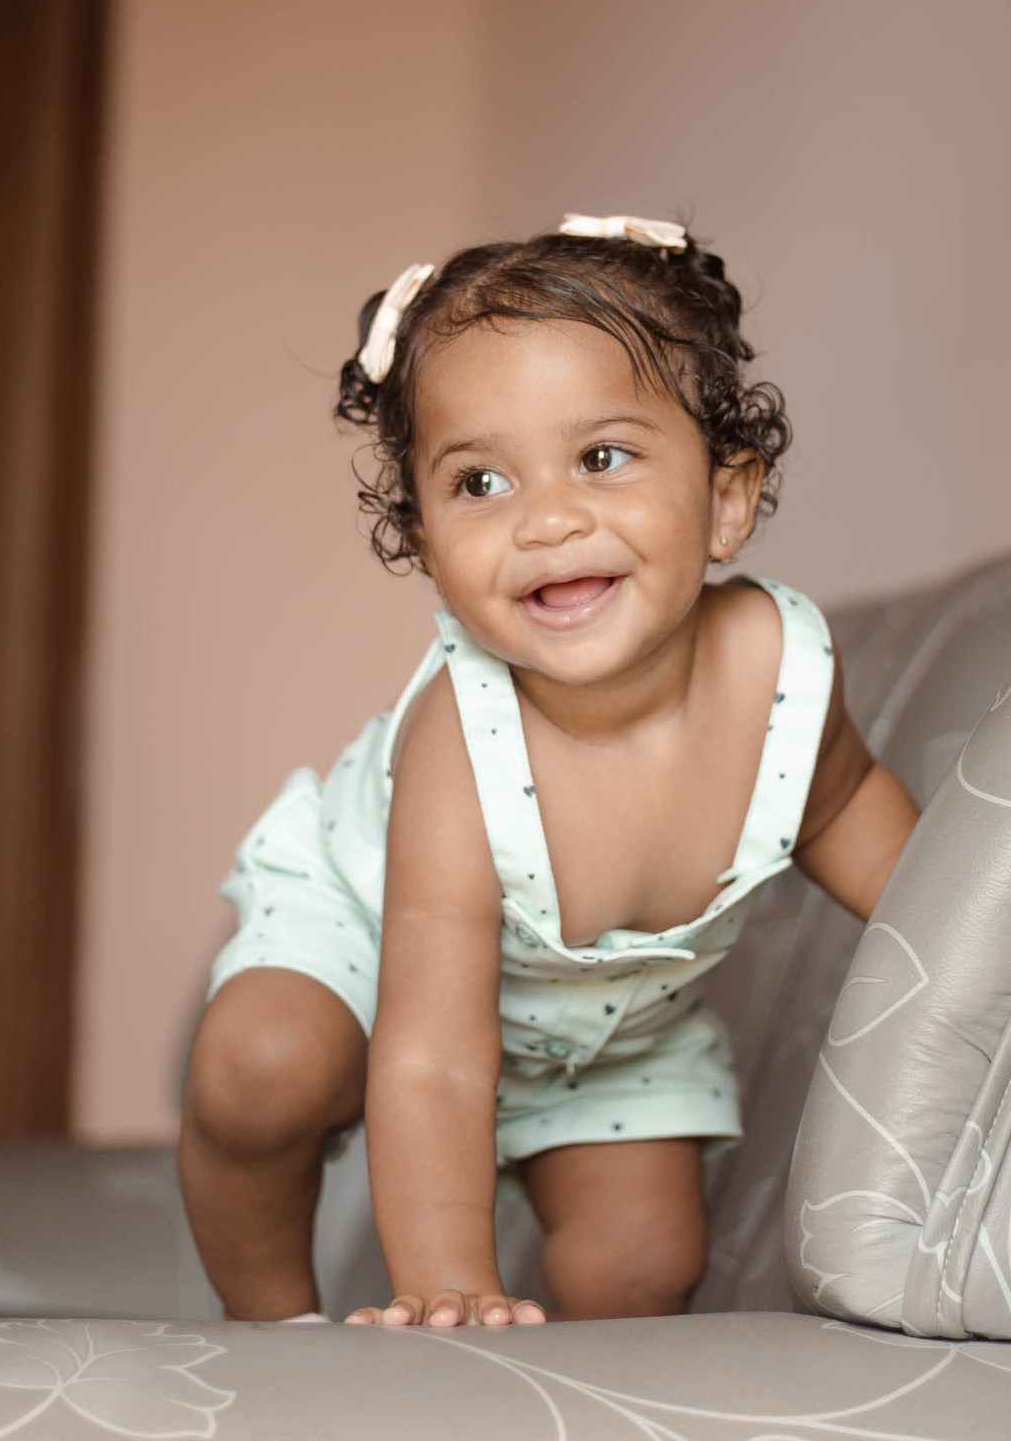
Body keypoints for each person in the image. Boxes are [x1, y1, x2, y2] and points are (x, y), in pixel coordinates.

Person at [178, 214, 919, 1331]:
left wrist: (981, 950)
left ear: (727, 498)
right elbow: (430, 1056)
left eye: (602, 458)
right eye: (480, 482)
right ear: (425, 543)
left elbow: (853, 812)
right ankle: (270, 1334)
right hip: (383, 955)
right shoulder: (462, 741)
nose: (548, 519)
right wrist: (449, 1288)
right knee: (260, 1070)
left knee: (640, 1267)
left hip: (611, 1026)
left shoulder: (777, 669)